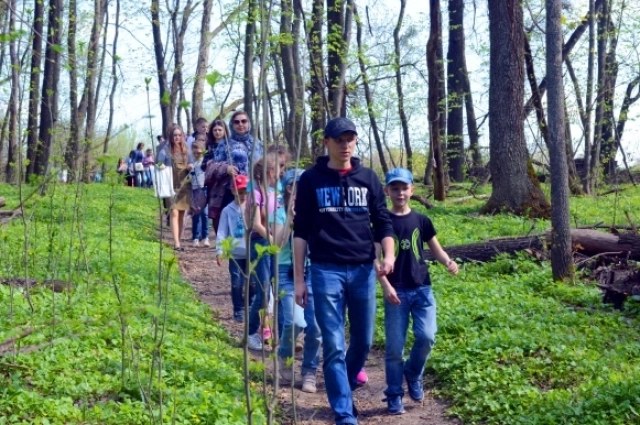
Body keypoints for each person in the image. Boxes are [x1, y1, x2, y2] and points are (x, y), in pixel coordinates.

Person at [293, 117, 395, 425]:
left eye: (350, 138)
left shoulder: (369, 178)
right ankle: (344, 412)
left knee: (363, 340)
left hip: (363, 269)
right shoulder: (311, 179)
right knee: (334, 343)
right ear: (327, 142)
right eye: (339, 139)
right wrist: (299, 278)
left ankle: (344, 383)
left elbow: (383, 222)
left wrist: (388, 255)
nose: (345, 144)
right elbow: (301, 230)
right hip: (325, 270)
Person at [377, 167, 459, 415]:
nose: (400, 193)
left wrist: (448, 262)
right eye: (395, 188)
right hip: (396, 291)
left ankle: (412, 373)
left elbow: (435, 248)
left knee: (427, 336)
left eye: (404, 188)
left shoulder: (422, 220)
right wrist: (386, 285)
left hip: (422, 288)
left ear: (412, 190)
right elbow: (375, 257)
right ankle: (393, 395)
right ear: (387, 191)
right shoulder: (382, 221)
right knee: (394, 348)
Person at [275, 168, 321, 393]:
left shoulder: (315, 208)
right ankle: (284, 354)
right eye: (301, 184)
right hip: (286, 271)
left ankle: (309, 371)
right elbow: (277, 244)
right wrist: (292, 218)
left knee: (317, 326)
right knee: (296, 322)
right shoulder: (279, 212)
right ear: (290, 187)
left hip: (314, 270)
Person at [245, 153, 279, 351]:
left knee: (274, 290)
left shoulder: (274, 193)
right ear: (269, 172)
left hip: (274, 244)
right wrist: (273, 239)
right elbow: (257, 224)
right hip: (260, 243)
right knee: (263, 291)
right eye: (277, 170)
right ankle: (251, 333)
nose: (279, 173)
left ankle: (270, 331)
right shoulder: (255, 194)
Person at [216, 174, 253, 323]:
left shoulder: (253, 208)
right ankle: (238, 309)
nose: (243, 196)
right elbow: (221, 231)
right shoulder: (227, 210)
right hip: (235, 255)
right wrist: (219, 250)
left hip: (251, 253)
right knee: (237, 282)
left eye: (246, 192)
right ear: (233, 191)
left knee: (252, 282)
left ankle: (250, 306)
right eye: (240, 192)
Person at [212, 111, 263, 213]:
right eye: (236, 122)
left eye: (244, 121)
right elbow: (214, 165)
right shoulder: (225, 143)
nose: (240, 124)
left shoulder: (257, 144)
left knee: (253, 224)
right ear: (232, 125)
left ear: (248, 123)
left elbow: (264, 165)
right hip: (232, 191)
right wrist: (226, 168)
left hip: (254, 190)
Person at [157, 124, 194, 251]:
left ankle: (178, 239)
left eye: (179, 135)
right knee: (173, 212)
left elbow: (192, 162)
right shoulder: (165, 149)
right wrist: (160, 165)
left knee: (182, 214)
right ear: (171, 136)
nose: (177, 137)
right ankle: (176, 243)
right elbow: (158, 162)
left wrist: (190, 165)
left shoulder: (187, 149)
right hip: (169, 185)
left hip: (184, 185)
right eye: (175, 135)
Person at [190, 137, 210, 247]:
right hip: (195, 190)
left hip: (205, 189)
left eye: (199, 152)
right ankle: (195, 237)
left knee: (205, 214)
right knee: (196, 214)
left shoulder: (205, 163)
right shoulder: (192, 163)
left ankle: (206, 237)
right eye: (195, 153)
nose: (197, 154)